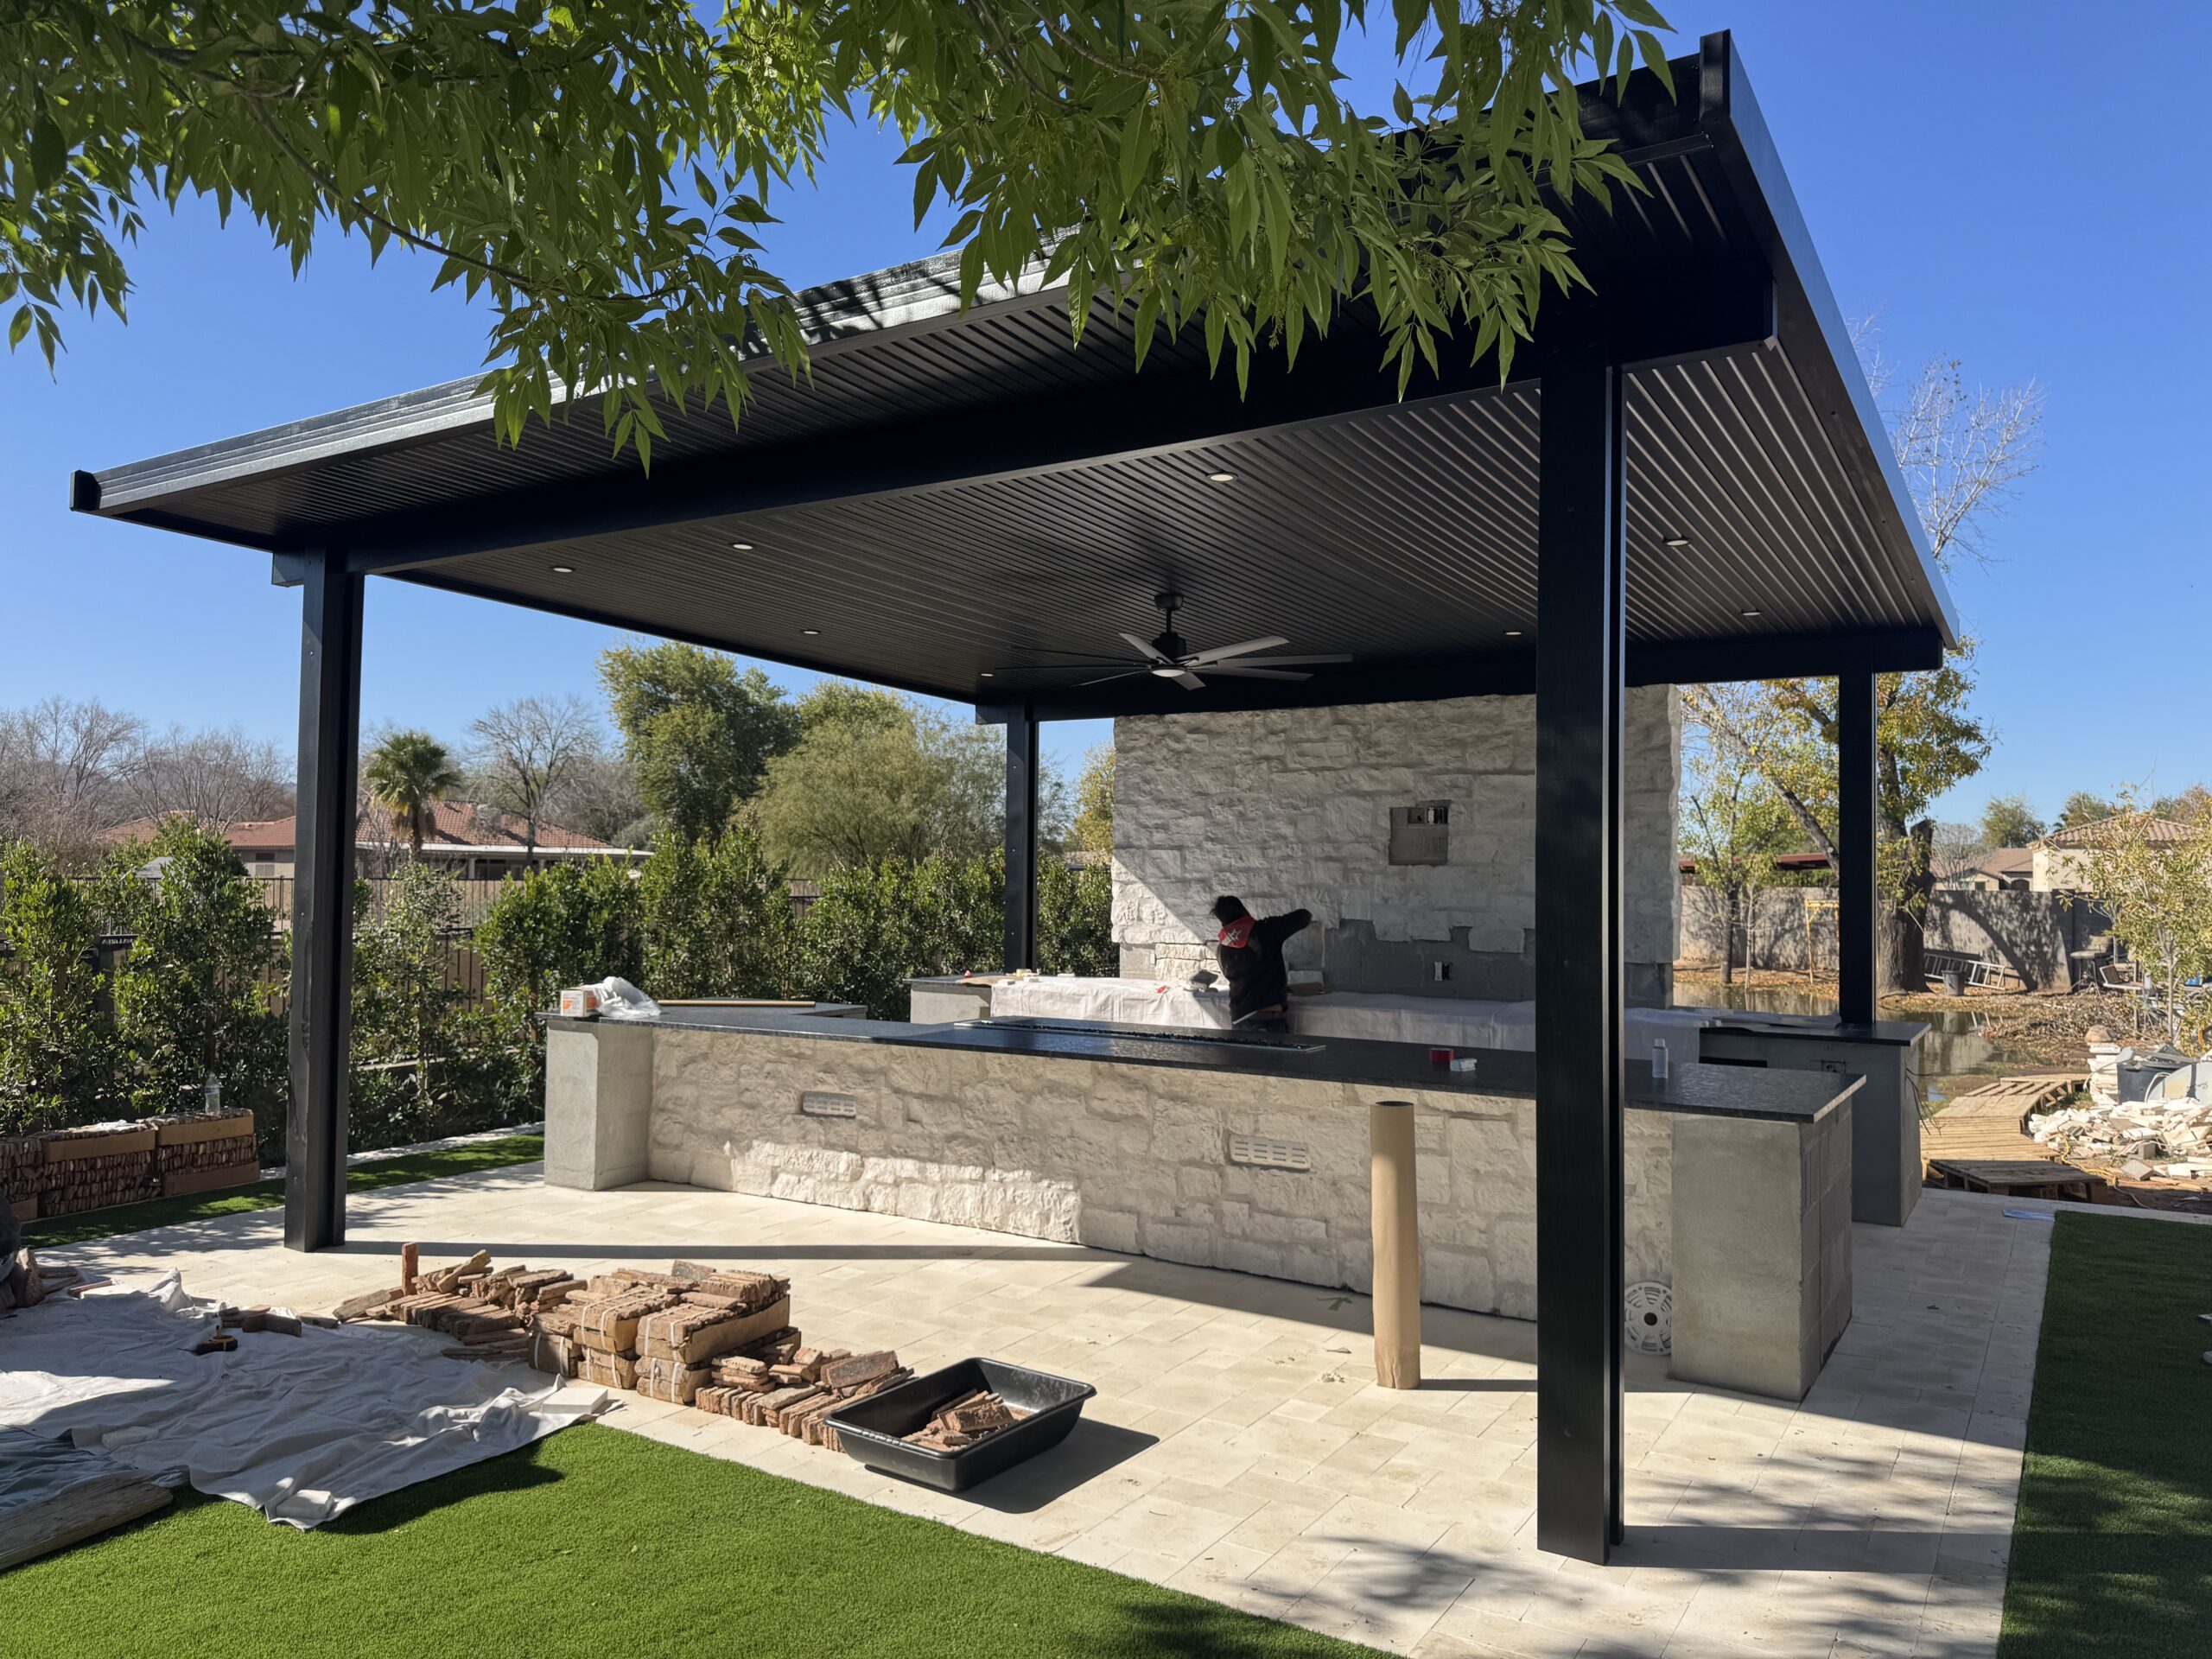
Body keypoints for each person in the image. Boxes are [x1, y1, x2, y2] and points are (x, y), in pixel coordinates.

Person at [1212, 894, 1313, 1033]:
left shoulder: (1221, 948)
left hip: (1239, 1021)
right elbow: (1303, 917)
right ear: (1244, 911)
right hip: (1268, 1019)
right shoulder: (1265, 931)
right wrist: (1274, 923)